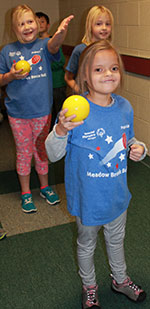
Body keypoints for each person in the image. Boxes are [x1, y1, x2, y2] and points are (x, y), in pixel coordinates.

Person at [45, 40, 147, 308]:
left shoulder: (124, 106)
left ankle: (120, 279)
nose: (108, 74)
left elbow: (130, 139)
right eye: (99, 70)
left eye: (113, 68)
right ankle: (89, 287)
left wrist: (139, 148)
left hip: (116, 195)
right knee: (87, 243)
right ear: (85, 76)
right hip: (88, 198)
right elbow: (53, 154)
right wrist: (61, 131)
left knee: (116, 240)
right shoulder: (75, 110)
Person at [0, 4, 73, 213]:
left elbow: (54, 46)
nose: (27, 26)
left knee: (41, 151)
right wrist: (11, 76)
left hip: (42, 111)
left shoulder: (44, 45)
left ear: (37, 24)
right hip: (17, 113)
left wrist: (61, 33)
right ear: (15, 29)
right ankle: (25, 192)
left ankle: (44, 186)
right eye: (21, 24)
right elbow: (0, 78)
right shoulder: (7, 51)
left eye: (30, 21)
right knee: (24, 153)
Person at [65, 5, 113, 93]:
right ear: (90, 26)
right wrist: (80, 91)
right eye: (98, 24)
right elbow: (68, 77)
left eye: (108, 24)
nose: (104, 28)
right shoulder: (80, 49)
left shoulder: (111, 51)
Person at [36, 11, 67, 129]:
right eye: (37, 22)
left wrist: (44, 65)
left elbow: (60, 62)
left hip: (57, 84)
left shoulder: (54, 41)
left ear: (48, 25)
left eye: (42, 22)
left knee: (59, 113)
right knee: (46, 115)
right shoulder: (35, 45)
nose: (39, 24)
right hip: (43, 86)